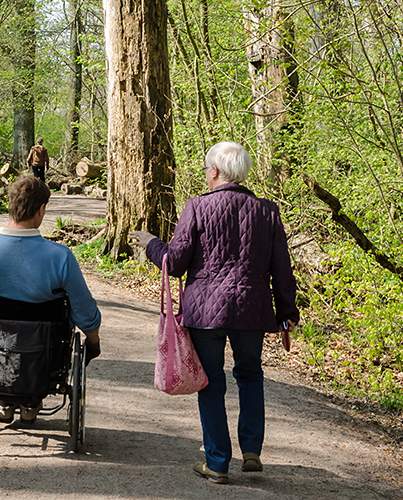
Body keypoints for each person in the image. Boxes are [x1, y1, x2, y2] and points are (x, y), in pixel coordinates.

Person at [128, 141, 298, 484]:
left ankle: (218, 462)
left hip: (206, 311)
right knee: (250, 374)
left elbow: (174, 263)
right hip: (251, 308)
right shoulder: (267, 211)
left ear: (216, 171)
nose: (206, 175)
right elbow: (282, 268)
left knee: (211, 383)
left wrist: (150, 243)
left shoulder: (197, 207)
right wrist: (287, 312)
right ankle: (251, 449)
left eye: (207, 170)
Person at [0, 175, 101, 424]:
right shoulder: (61, 257)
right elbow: (84, 312)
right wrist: (93, 342)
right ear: (41, 210)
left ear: (10, 206)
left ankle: (4, 399)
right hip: (45, 350)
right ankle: (31, 400)